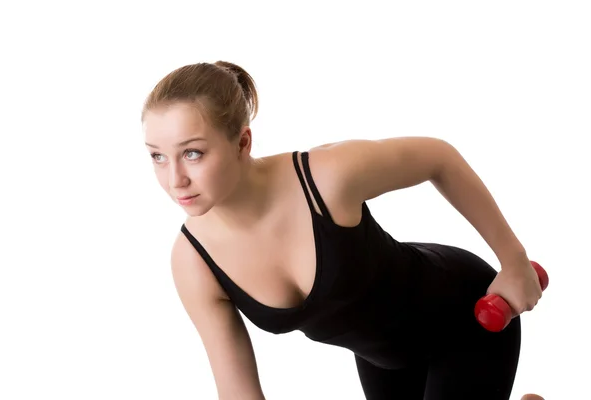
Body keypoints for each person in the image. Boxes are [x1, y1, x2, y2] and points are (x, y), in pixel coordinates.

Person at [141, 61, 545, 400]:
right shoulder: (194, 261)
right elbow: (239, 391)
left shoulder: (325, 178)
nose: (175, 179)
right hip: (381, 360)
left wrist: (514, 263)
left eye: (192, 153)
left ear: (243, 142)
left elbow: (438, 157)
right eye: (158, 157)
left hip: (463, 317)